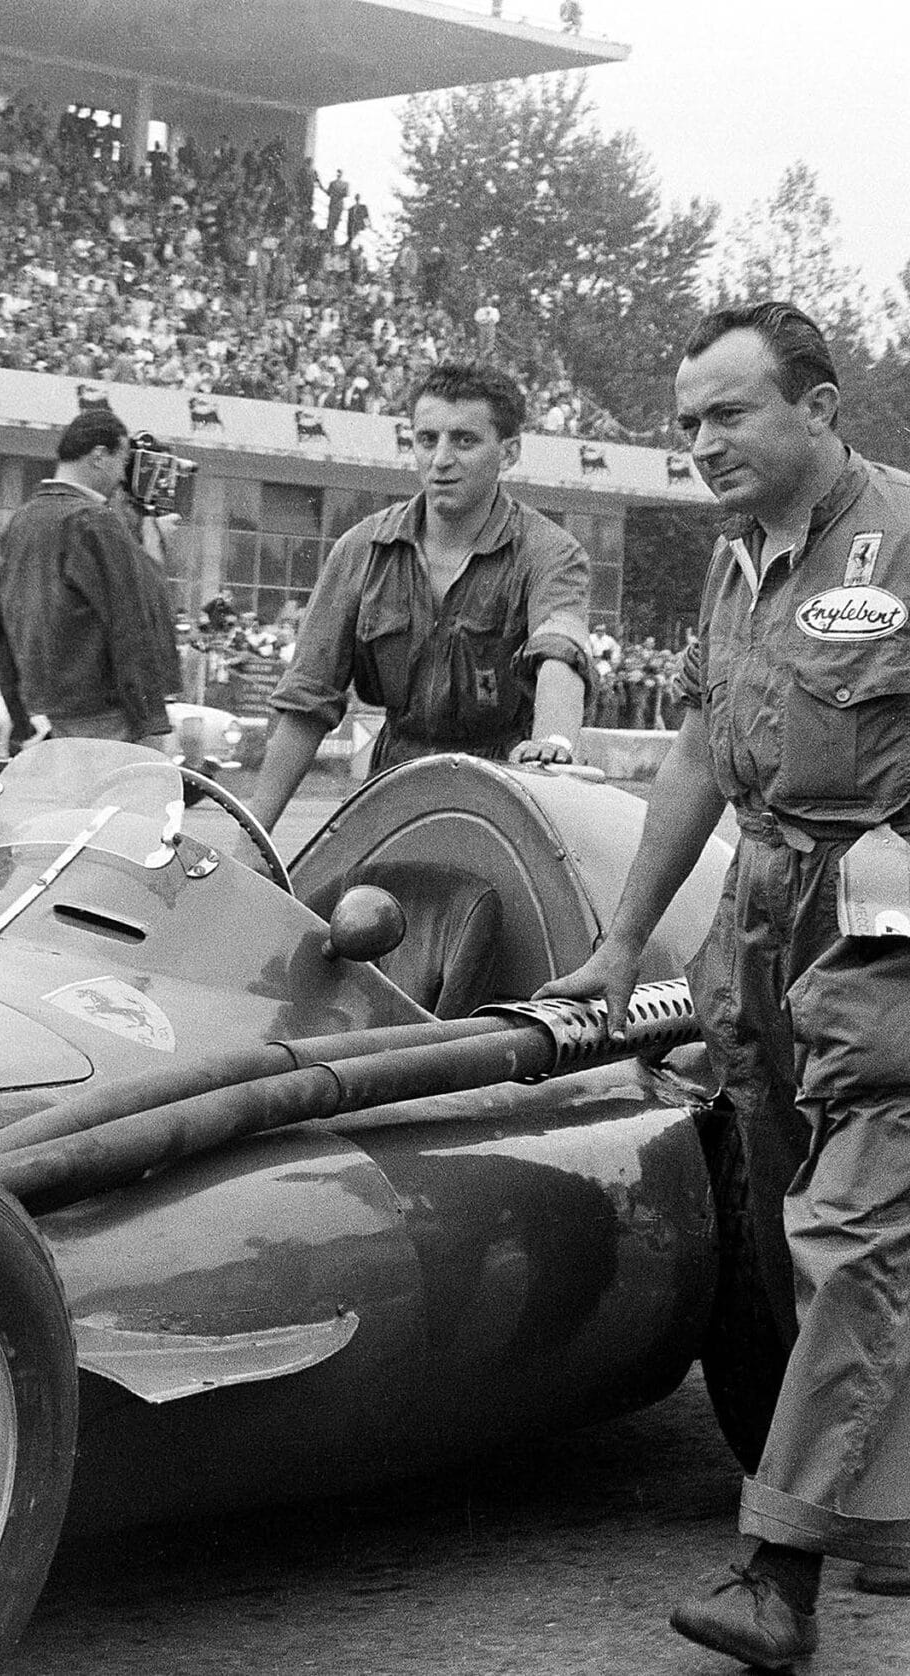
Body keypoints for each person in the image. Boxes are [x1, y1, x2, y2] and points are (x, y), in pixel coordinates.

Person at [538, 302, 910, 1667]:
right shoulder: (735, 561)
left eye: (730, 413)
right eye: (688, 419)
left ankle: (780, 1573)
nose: (701, 442)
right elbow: (699, 746)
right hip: (757, 924)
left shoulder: (909, 539)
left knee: (855, 1231)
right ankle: (888, 1514)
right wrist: (624, 940)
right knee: (776, 1222)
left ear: (819, 408)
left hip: (888, 929)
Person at [249, 362, 592, 835]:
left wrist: (553, 742)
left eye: (464, 441)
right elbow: (308, 698)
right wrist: (252, 834)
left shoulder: (551, 553)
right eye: (427, 440)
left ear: (508, 452)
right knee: (352, 909)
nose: (441, 459)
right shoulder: (360, 550)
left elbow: (560, 655)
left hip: (506, 797)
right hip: (393, 789)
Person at [0, 411, 181, 757]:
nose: (123, 475)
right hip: (105, 717)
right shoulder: (95, 522)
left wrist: (20, 716)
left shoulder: (20, 521)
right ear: (99, 456)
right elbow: (135, 626)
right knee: (119, 810)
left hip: (43, 716)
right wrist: (152, 720)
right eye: (122, 459)